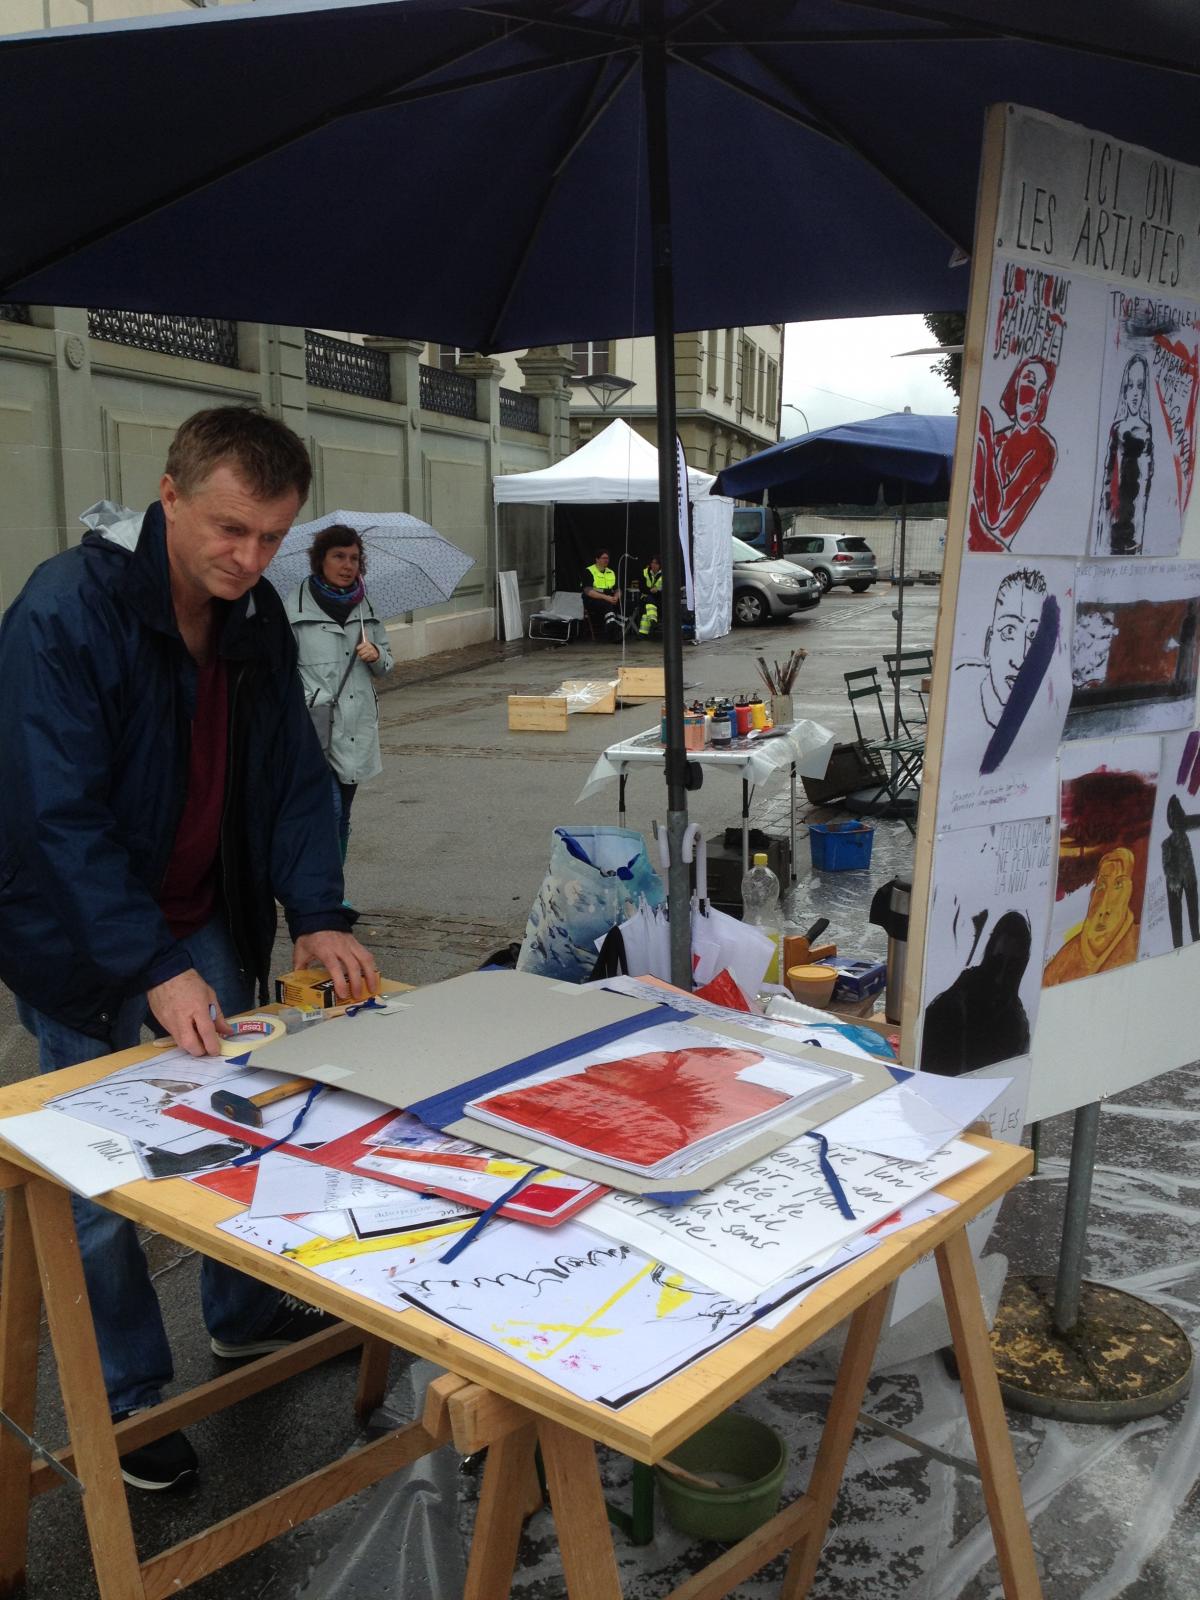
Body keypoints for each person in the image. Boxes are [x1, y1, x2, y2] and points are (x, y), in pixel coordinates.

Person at [0, 406, 379, 1492]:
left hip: (200, 910)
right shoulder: (64, 613)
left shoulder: (253, 613)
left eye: (272, 537)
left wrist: (319, 910)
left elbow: (296, 777)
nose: (249, 559)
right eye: (228, 529)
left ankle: (242, 1313)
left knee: (228, 1127)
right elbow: (52, 819)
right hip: (79, 937)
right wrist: (145, 965)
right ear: (167, 492)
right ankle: (126, 1395)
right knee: (102, 1173)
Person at [286, 525, 394, 881]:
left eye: (354, 558)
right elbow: (279, 671)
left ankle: (333, 884)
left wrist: (376, 654)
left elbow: (387, 666)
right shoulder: (293, 607)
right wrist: (307, 698)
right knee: (328, 811)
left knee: (343, 814)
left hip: (355, 726)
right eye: (338, 556)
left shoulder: (366, 606)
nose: (348, 565)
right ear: (321, 560)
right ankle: (326, 891)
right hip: (313, 726)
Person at [920, 910, 1032, 1075]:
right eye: (1007, 939)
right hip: (948, 1072)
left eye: (1016, 945)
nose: (1010, 948)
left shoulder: (1015, 1015)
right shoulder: (967, 985)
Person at [968, 356, 1058, 552]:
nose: (1035, 397)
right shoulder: (998, 438)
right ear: (1015, 386)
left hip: (991, 548)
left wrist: (986, 438)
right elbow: (976, 497)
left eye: (1042, 390)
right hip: (976, 543)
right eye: (1030, 382)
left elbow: (994, 515)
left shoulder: (1043, 447)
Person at [1044, 846, 1140, 984]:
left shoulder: (1137, 941)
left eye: (1118, 885)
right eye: (1101, 886)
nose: (1104, 907)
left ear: (1129, 891)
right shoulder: (1063, 960)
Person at [1095, 353, 1153, 555]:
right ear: (1124, 391)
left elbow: (1145, 486)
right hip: (1114, 514)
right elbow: (1107, 477)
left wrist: (1139, 533)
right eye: (1130, 385)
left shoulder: (1146, 431)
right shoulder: (1117, 429)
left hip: (1134, 518)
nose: (1135, 393)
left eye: (1140, 386)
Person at [581, 549, 622, 638]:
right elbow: (588, 591)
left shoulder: (611, 572)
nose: (606, 560)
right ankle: (613, 633)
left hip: (610, 598)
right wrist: (607, 598)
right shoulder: (589, 571)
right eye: (603, 558)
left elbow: (617, 589)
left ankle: (618, 628)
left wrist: (616, 597)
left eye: (607, 558)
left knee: (627, 603)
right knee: (607, 604)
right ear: (597, 559)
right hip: (593, 599)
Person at [638, 554, 663, 637]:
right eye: (652, 563)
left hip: (659, 598)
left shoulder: (665, 574)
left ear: (660, 565)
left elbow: (667, 589)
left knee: (647, 609)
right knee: (649, 600)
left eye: (656, 563)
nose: (654, 565)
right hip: (645, 596)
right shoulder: (644, 572)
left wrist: (658, 591)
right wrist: (650, 590)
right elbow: (641, 587)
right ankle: (653, 620)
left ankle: (643, 632)